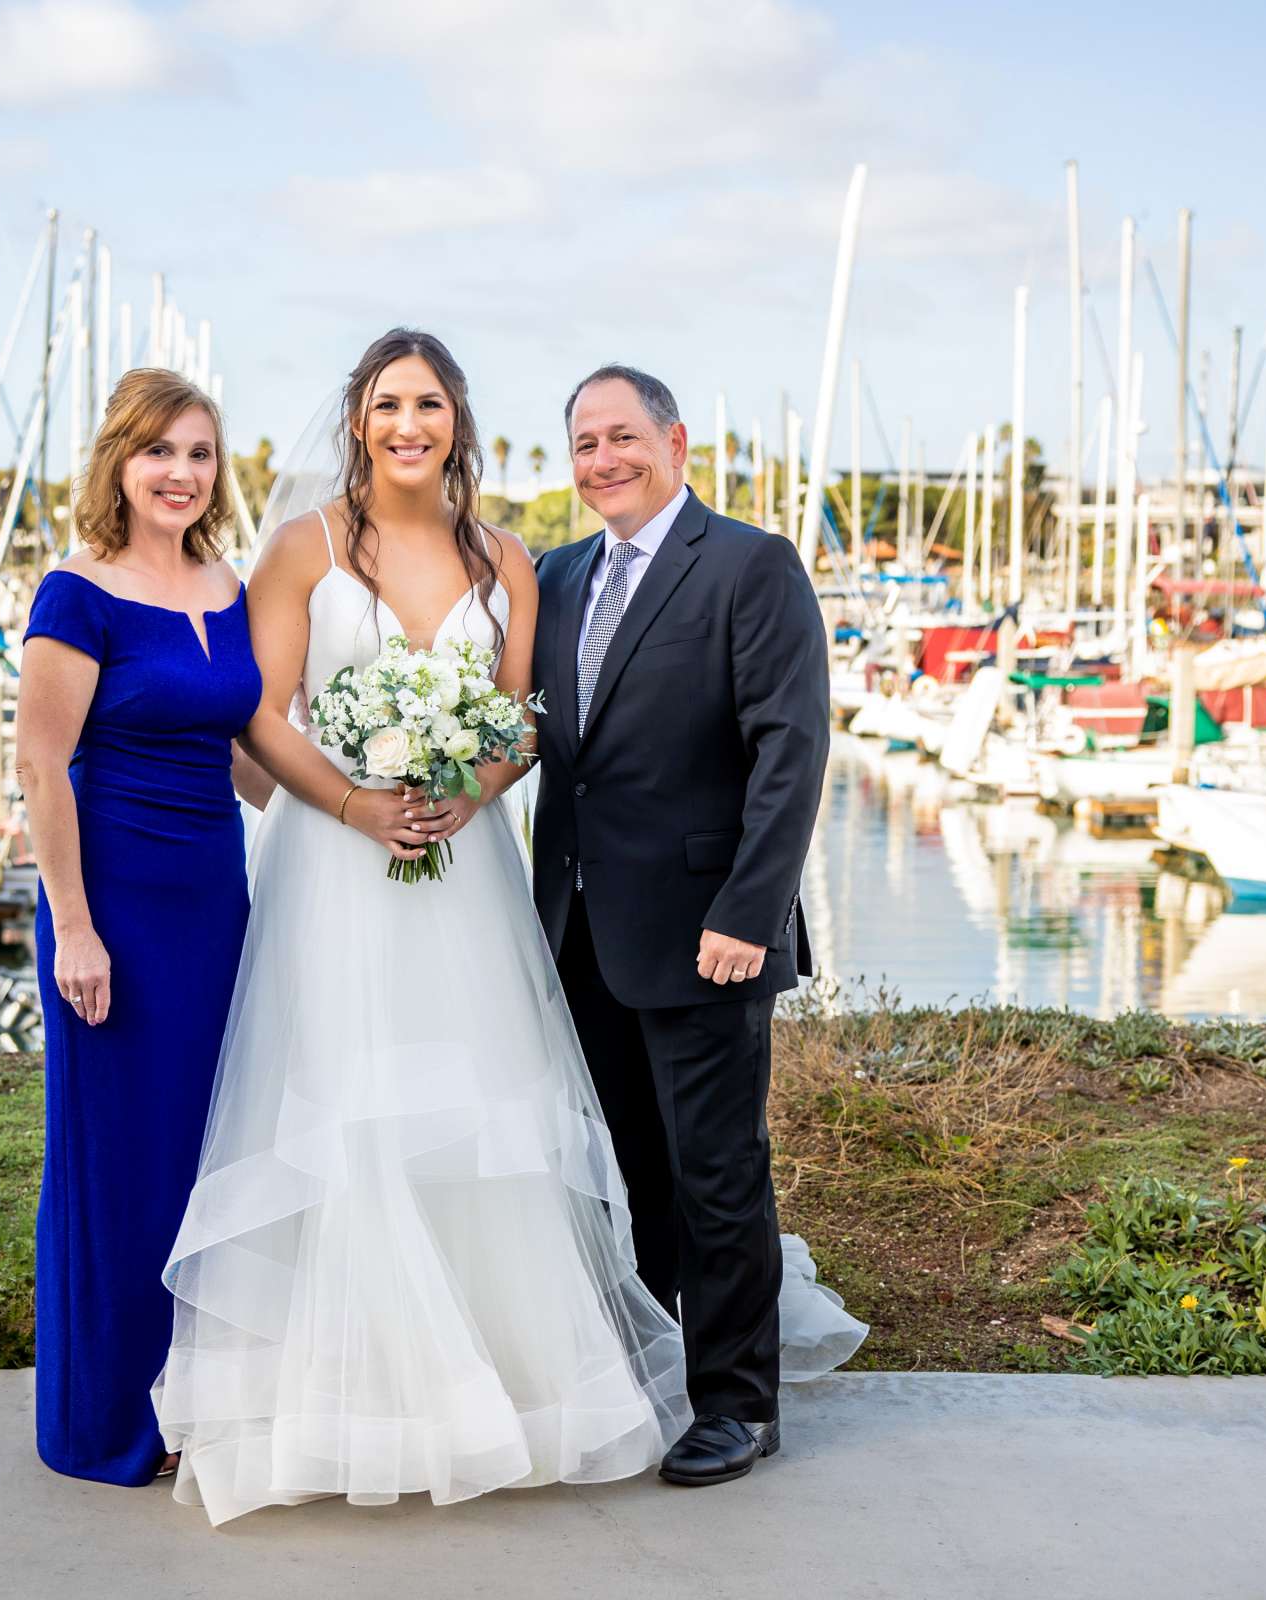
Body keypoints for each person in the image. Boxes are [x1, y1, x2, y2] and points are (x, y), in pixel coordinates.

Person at [152, 329, 692, 1526]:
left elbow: (518, 723)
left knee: (472, 1104)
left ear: (458, 421)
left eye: (431, 404)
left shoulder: (507, 559)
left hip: (462, 869)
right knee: (344, 1099)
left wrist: (472, 788)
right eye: (390, 403)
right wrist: (353, 800)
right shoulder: (301, 548)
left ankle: (497, 1386)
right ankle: (339, 1399)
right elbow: (264, 709)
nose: (410, 424)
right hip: (332, 872)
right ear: (359, 418)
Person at [530, 364, 831, 1487]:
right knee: (625, 1172)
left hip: (709, 933)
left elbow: (788, 751)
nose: (604, 459)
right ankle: (656, 1373)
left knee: (716, 1174)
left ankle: (739, 1405)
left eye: (623, 436)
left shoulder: (751, 566)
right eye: (584, 443)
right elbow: (539, 742)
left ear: (676, 441)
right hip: (577, 932)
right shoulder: (555, 576)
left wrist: (749, 911)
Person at [14, 368, 262, 1485]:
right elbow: (41, 762)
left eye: (200, 453)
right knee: (118, 1162)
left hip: (216, 905)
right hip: (111, 909)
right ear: (119, 460)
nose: (181, 473)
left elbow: (249, 759)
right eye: (160, 451)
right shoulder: (79, 590)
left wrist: (363, 801)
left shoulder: (226, 583)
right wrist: (74, 925)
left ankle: (194, 1402)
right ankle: (108, 1419)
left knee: (207, 1155)